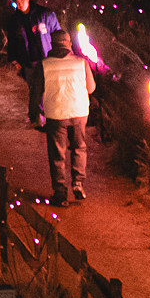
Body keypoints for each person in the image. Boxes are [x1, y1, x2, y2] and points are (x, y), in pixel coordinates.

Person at [30, 30, 97, 205]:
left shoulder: (44, 65)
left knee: (57, 153)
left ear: (52, 45)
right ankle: (78, 184)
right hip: (79, 112)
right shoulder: (82, 62)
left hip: (56, 114)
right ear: (69, 45)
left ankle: (60, 193)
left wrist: (34, 113)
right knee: (79, 148)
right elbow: (91, 88)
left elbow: (36, 92)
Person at [5, 0, 63, 125]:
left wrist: (59, 52)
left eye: (21, 1)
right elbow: (12, 41)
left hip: (47, 58)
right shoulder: (15, 20)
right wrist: (14, 60)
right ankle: (36, 117)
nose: (19, 5)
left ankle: (44, 116)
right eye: (16, 3)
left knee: (47, 88)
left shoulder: (45, 14)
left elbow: (57, 33)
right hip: (28, 60)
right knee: (34, 88)